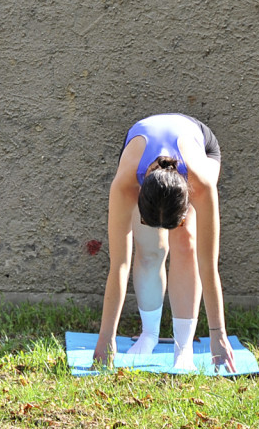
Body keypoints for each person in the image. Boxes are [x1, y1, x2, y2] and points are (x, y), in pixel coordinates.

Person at [93, 113, 236, 371]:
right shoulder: (125, 182)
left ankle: (184, 348)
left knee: (186, 242)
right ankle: (149, 335)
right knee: (150, 248)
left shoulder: (201, 183)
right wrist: (106, 339)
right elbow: (119, 265)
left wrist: (219, 335)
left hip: (198, 143)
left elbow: (208, 265)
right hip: (143, 146)